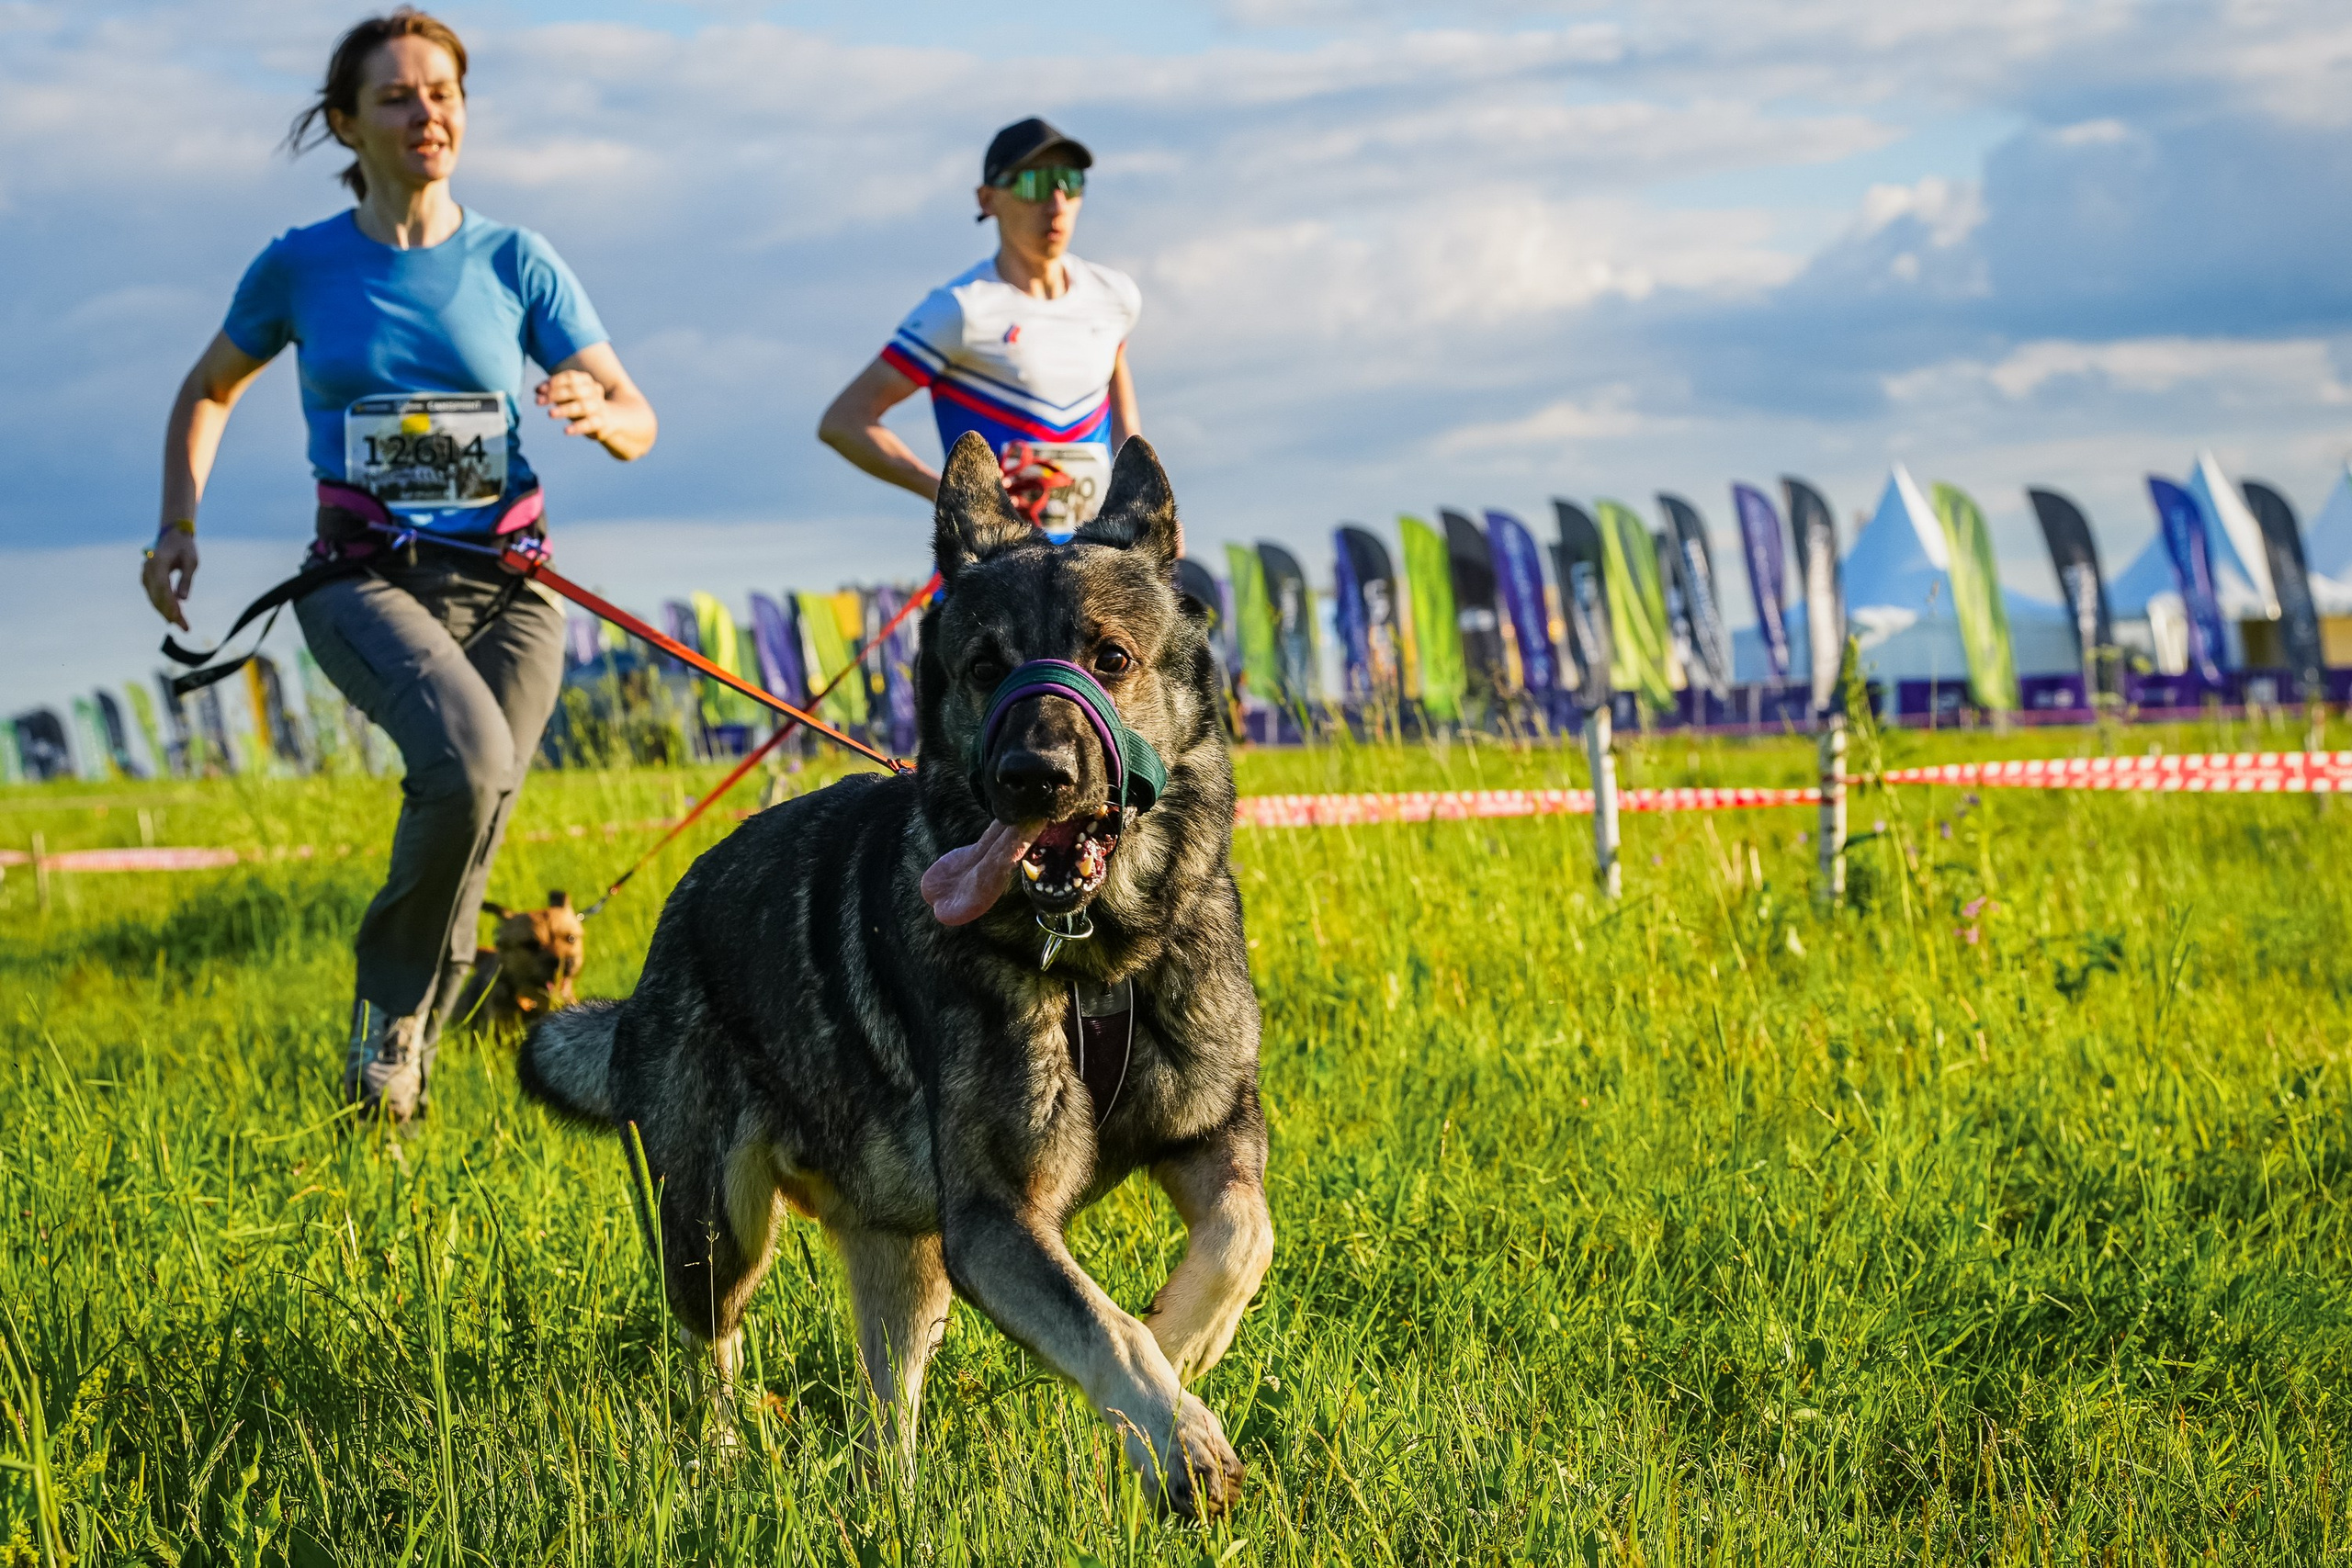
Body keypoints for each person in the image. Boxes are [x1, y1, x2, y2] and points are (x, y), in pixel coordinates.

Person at [137, 7, 657, 1122]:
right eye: (398, 96)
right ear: (346, 124)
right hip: (364, 579)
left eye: (445, 93)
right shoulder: (300, 266)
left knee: (480, 811)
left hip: (512, 588)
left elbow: (636, 410)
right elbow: (208, 390)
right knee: (465, 766)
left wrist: (594, 411)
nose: (429, 112)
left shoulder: (517, 258)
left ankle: (434, 1027)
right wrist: (179, 523)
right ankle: (390, 1037)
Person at [819, 117, 1144, 537]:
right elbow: (844, 421)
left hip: (1094, 561)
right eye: (1033, 184)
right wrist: (955, 496)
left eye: (1070, 182)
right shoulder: (960, 310)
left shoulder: (1115, 296)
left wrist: (1147, 508)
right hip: (999, 572)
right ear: (987, 200)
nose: (1056, 203)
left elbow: (1126, 427)